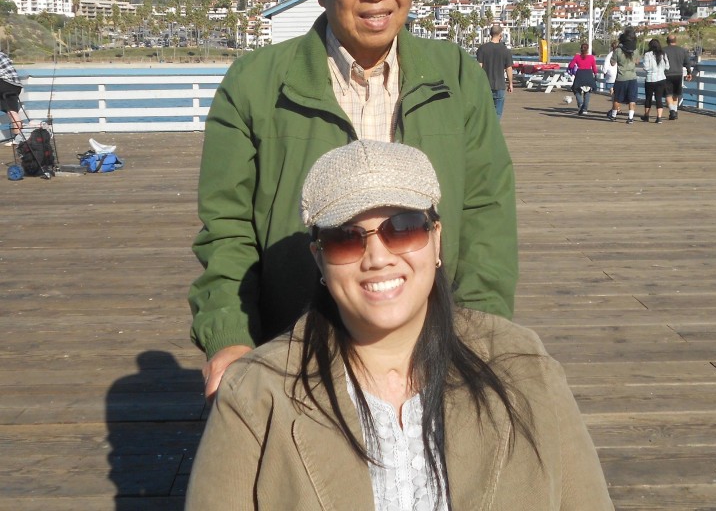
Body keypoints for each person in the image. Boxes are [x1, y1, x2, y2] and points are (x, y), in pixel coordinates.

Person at [190, 0, 519, 401]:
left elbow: (486, 212)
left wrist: (480, 331)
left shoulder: (455, 75)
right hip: (297, 341)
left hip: (434, 341)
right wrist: (230, 338)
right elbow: (227, 229)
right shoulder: (253, 84)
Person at [185, 140, 614, 510]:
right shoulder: (257, 396)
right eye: (346, 237)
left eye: (403, 229)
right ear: (319, 257)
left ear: (436, 238)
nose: (377, 257)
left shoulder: (525, 367)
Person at [475, 23, 513, 118]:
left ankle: (486, 131)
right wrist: (510, 83)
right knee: (497, 113)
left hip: (485, 85)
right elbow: (509, 68)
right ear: (500, 35)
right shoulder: (505, 50)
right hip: (499, 85)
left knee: (485, 112)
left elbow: (479, 67)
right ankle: (494, 131)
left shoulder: (482, 49)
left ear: (490, 34)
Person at [607, 26, 640, 124]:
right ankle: (630, 118)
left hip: (621, 77)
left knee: (617, 98)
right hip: (632, 77)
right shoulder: (635, 50)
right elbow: (637, 62)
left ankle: (613, 115)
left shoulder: (618, 50)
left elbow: (612, 63)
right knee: (632, 98)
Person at [663, 34, 693, 120]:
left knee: (668, 94)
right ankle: (675, 112)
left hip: (667, 74)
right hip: (678, 74)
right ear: (676, 41)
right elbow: (687, 62)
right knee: (675, 95)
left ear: (667, 41)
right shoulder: (682, 50)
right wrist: (689, 72)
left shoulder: (663, 50)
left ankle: (672, 111)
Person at [642, 38, 670, 123]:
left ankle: (646, 116)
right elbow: (667, 67)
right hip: (661, 79)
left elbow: (645, 67)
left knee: (648, 98)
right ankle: (659, 118)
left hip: (650, 79)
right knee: (659, 98)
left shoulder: (647, 54)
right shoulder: (663, 54)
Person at [567, 41, 598, 115]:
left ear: (580, 49)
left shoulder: (577, 57)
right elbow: (594, 68)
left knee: (576, 89)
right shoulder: (591, 57)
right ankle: (585, 109)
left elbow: (571, 66)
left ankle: (580, 104)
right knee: (587, 92)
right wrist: (595, 75)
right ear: (587, 49)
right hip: (588, 74)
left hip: (580, 74)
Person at [0, 50, 24, 144]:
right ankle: (18, 138)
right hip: (15, 86)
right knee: (12, 112)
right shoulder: (2, 54)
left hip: (5, 83)